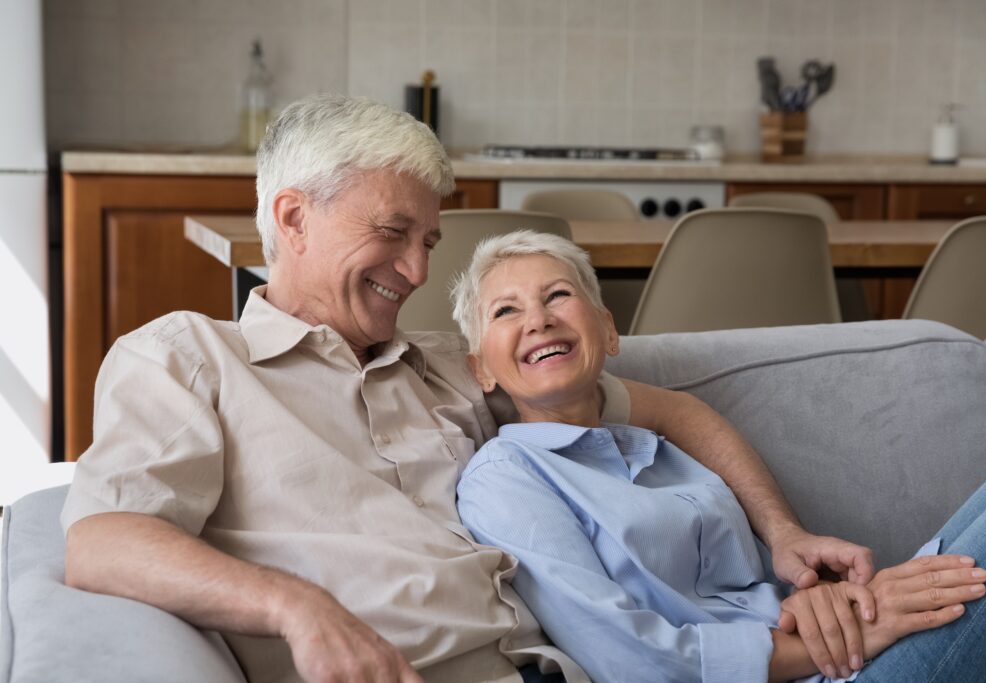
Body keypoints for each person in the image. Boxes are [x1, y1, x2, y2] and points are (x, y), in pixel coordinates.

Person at [62, 95, 871, 683]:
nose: (417, 272)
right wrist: (296, 608)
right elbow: (100, 538)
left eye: (428, 241)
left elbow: (678, 410)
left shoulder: (464, 361)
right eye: (392, 234)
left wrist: (784, 533)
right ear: (294, 218)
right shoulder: (189, 358)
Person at [453, 230, 986, 683]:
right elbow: (631, 660)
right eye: (506, 311)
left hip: (839, 646)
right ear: (481, 368)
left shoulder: (658, 447)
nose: (538, 319)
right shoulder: (508, 477)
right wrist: (858, 628)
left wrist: (819, 593)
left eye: (558, 295)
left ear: (607, 331)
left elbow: (753, 587)